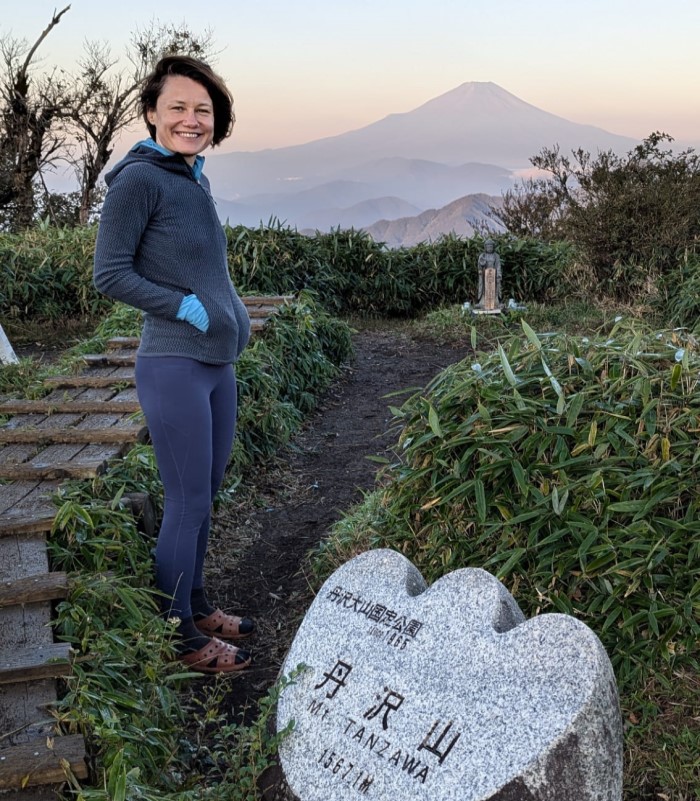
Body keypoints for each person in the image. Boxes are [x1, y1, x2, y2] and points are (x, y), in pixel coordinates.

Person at [93, 55, 253, 674]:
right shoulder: (139, 181)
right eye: (179, 108)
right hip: (174, 362)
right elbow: (111, 273)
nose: (192, 119)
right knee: (186, 500)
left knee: (204, 496)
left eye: (203, 110)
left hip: (216, 362)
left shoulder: (190, 176)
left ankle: (197, 603)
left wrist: (227, 306)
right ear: (153, 113)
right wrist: (185, 307)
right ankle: (180, 636)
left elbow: (203, 264)